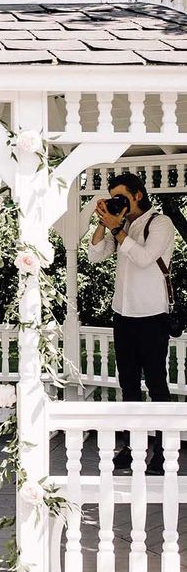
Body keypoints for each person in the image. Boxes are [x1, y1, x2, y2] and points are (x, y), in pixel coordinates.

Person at [88, 172, 174, 475]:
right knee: (128, 385)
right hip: (124, 315)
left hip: (151, 316)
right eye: (114, 197)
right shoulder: (120, 225)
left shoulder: (160, 223)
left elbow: (145, 258)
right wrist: (105, 221)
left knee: (156, 384)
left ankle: (163, 453)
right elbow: (94, 255)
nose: (118, 202)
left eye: (122, 197)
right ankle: (130, 448)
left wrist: (118, 230)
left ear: (138, 194)